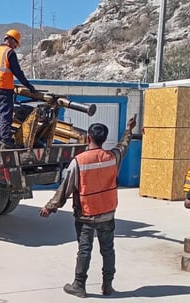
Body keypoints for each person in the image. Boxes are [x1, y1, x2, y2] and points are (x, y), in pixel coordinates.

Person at [39, 116, 137, 298]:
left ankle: (79, 285)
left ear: (89, 138)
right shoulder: (113, 157)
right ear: (104, 139)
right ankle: (107, 286)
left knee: (84, 250)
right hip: (107, 214)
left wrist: (50, 207)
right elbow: (124, 145)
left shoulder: (79, 161)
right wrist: (129, 129)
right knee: (108, 250)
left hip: (86, 215)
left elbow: (65, 189)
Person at [0, 29, 36, 149]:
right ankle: (6, 141)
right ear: (12, 40)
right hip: (4, 88)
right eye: (16, 44)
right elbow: (17, 72)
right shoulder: (9, 52)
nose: (15, 47)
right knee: (5, 115)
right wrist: (29, 86)